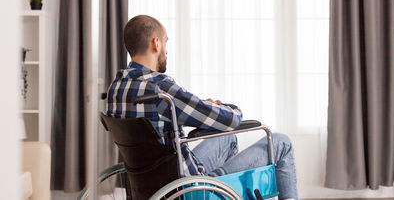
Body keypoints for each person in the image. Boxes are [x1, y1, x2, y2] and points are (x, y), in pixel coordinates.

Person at [106, 15, 298, 200]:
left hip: (148, 185)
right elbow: (229, 120)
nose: (166, 50)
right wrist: (225, 108)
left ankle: (222, 189)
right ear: (156, 43)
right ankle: (217, 188)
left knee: (228, 139)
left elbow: (185, 112)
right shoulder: (160, 89)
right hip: (189, 189)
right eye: (165, 42)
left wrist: (202, 106)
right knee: (281, 142)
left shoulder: (116, 88)